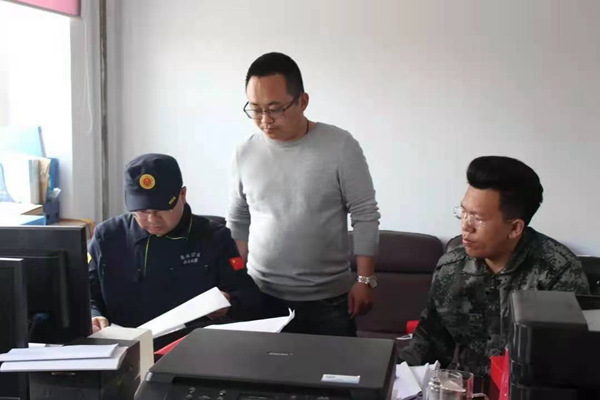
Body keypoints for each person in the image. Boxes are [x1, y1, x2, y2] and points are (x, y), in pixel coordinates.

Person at [227, 52, 381, 337]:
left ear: (303, 101)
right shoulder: (245, 152)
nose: (265, 120)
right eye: (256, 109)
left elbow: (365, 215)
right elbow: (238, 219)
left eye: (275, 109)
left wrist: (365, 279)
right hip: (262, 294)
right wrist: (235, 281)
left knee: (333, 366)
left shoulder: (340, 146)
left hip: (327, 300)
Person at [399, 156, 590, 378]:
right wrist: (391, 375)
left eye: (477, 218)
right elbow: (427, 346)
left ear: (515, 228)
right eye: (463, 213)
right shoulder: (450, 268)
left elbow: (571, 364)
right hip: (464, 388)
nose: (465, 226)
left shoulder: (559, 273)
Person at [89, 153, 264, 335]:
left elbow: (248, 296)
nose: (152, 219)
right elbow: (85, 292)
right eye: (142, 211)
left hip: (191, 343)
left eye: (161, 210)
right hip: (125, 342)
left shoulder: (215, 238)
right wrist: (93, 315)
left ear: (182, 195)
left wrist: (230, 301)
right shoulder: (107, 237)